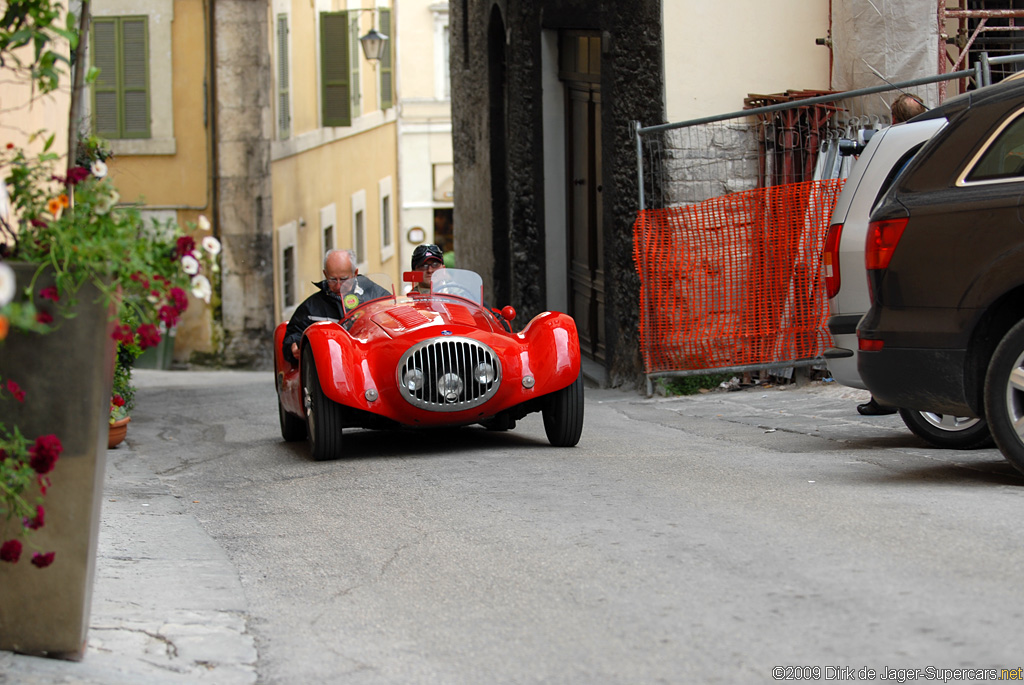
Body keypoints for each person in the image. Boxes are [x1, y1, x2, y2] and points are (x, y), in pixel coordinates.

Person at [857, 93, 929, 416]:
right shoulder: (935, 141)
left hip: (902, 243)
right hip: (925, 242)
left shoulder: (900, 147)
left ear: (896, 120)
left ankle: (888, 394)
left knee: (890, 318)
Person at [282, 249, 389, 364]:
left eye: (344, 279)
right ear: (325, 274)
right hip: (328, 366)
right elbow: (293, 336)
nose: (338, 286)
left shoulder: (378, 297)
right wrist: (294, 346)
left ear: (355, 273)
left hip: (369, 364)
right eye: (332, 279)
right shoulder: (310, 308)